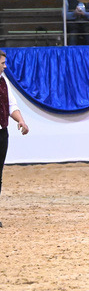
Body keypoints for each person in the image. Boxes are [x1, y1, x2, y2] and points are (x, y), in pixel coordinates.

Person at [0, 49, 30, 228]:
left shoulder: (4, 81)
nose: (5, 66)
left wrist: (21, 120)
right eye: (2, 63)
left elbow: (11, 105)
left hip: (2, 132)